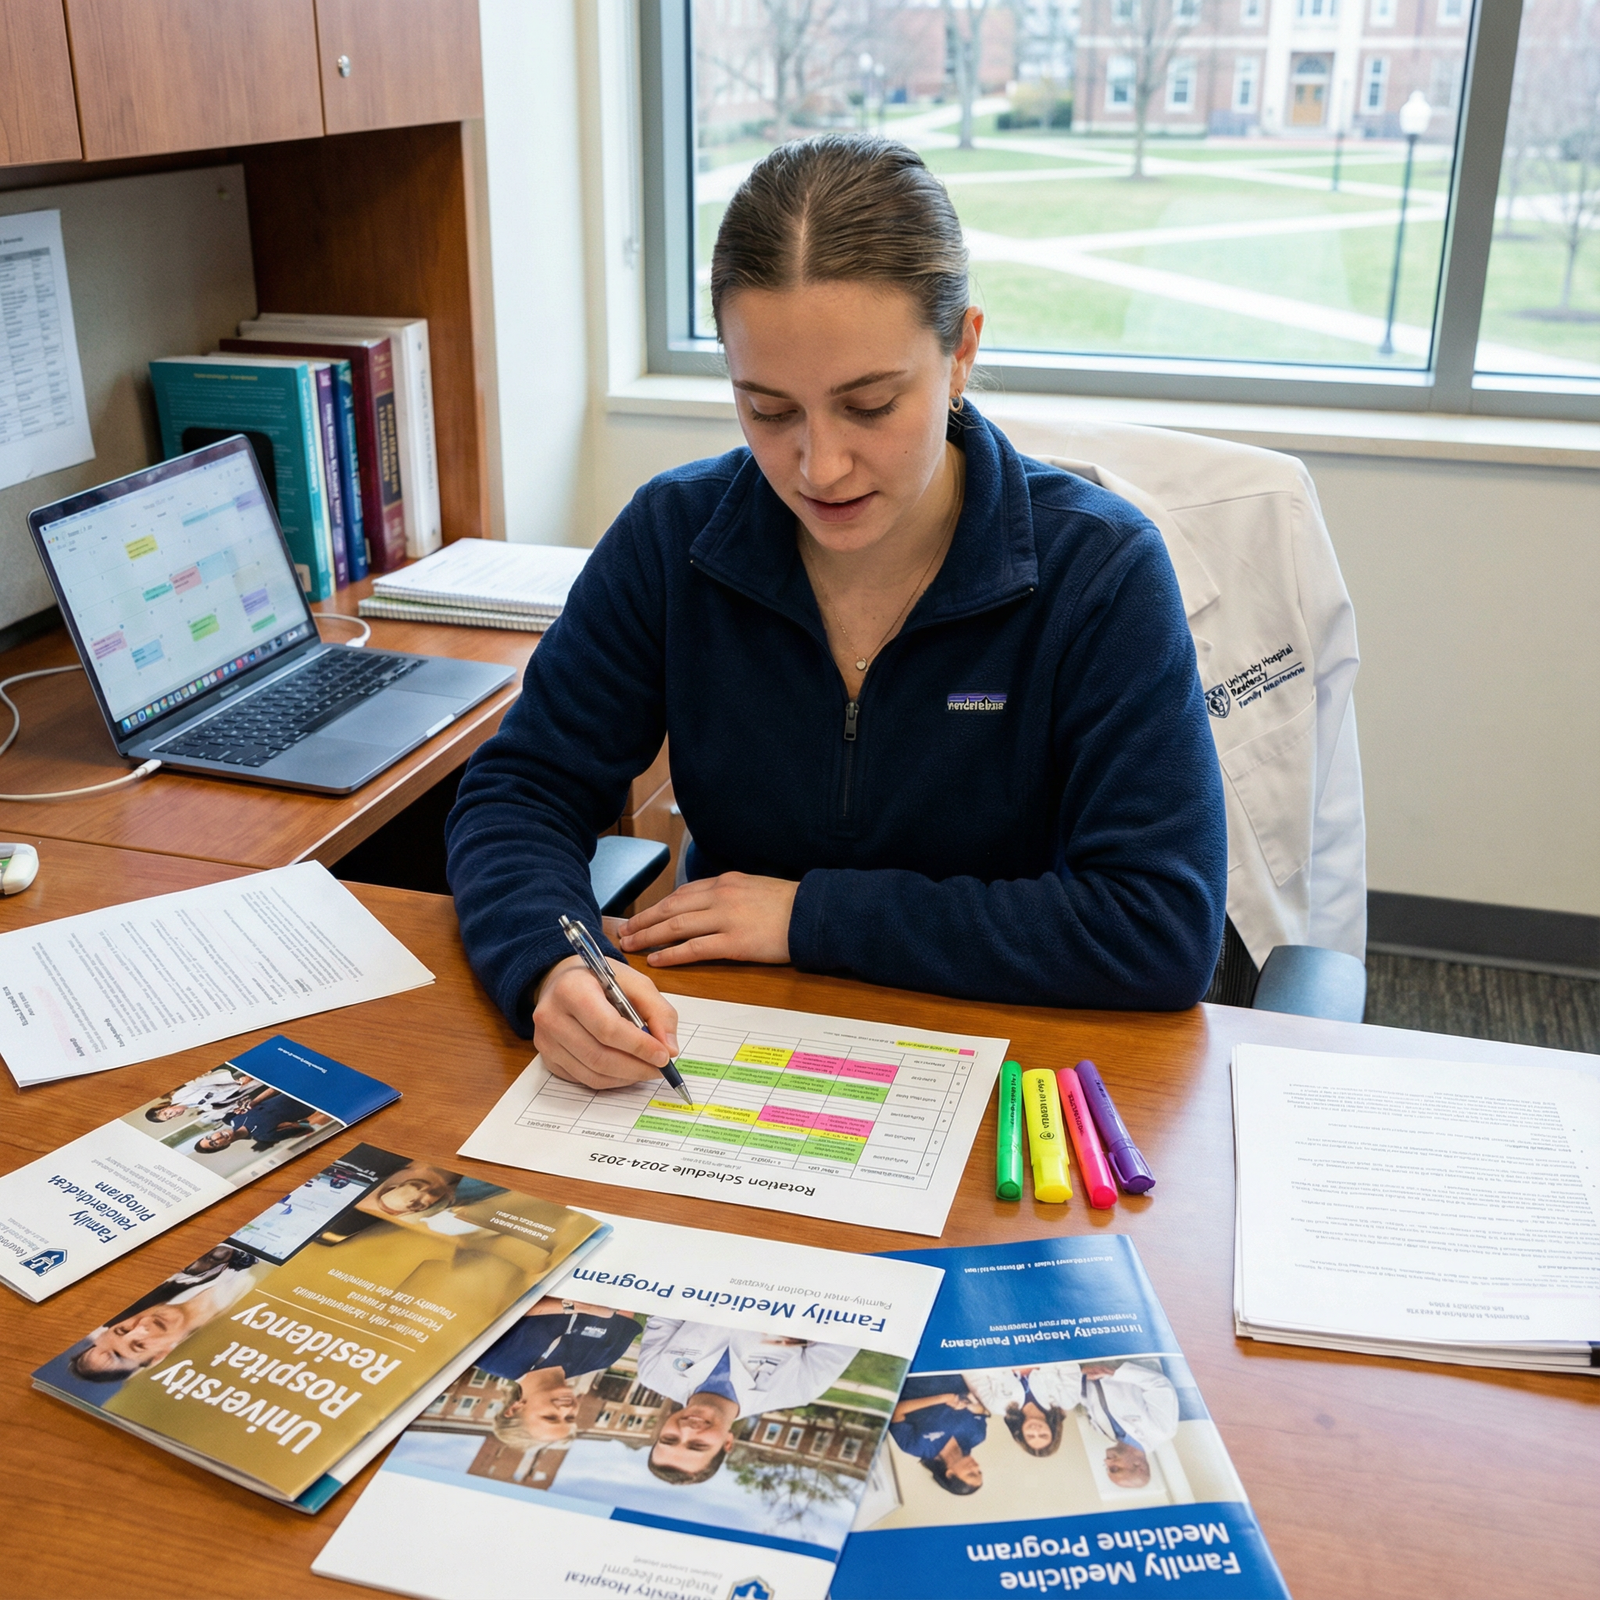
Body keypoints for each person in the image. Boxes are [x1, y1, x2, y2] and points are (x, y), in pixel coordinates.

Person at [444, 134, 1227, 1095]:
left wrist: (810, 916)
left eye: (870, 405)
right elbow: (521, 791)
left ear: (961, 352)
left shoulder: (1101, 572)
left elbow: (1157, 926)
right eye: (770, 411)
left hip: (1011, 1060)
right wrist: (552, 964)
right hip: (732, 1048)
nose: (819, 466)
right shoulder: (674, 536)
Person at [636, 1319, 857, 1485]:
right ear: (728, 1443)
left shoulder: (654, 1373)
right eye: (698, 1445)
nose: (686, 1430)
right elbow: (850, 1328)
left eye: (669, 1438)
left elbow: (668, 1304)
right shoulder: (797, 1389)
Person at [67, 1245, 259, 1384]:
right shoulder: (245, 1316)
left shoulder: (182, 1270)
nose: (141, 1327)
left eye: (122, 1329)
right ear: (159, 1356)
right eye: (138, 1345)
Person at [476, 1297, 645, 1449]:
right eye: (570, 1418)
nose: (566, 1409)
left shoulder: (490, 1357)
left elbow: (493, 1304)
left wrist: (580, 1307)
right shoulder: (601, 1358)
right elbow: (628, 1299)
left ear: (514, 1408)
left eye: (550, 1417)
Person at [1076, 1359, 1179, 1488]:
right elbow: (1159, 1385)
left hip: (1084, 1358)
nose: (1106, 1461)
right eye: (1115, 1468)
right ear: (1139, 1466)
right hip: (1124, 1354)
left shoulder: (1102, 1430)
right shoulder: (1162, 1431)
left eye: (1107, 1468)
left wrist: (1080, 1375)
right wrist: (1112, 1372)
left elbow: (1085, 1396)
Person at [888, 1374, 987, 1495]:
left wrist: (942, 1398)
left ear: (950, 1474)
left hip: (913, 1377)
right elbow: (980, 1411)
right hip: (954, 1371)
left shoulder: (916, 1447)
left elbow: (895, 1411)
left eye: (971, 1473)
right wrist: (971, 1404)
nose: (976, 1467)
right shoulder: (977, 1436)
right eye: (979, 1471)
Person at [964, 1364, 1077, 1457]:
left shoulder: (996, 1406)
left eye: (1030, 1436)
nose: (1035, 1431)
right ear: (1053, 1430)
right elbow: (1069, 1362)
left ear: (1021, 1434)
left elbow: (972, 1371)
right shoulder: (1068, 1399)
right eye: (1043, 1435)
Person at [191, 1090, 329, 1154]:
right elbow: (308, 1127)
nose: (216, 1138)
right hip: (317, 1103)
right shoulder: (265, 1136)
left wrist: (276, 1088)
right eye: (214, 1143)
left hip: (294, 1090)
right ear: (223, 1147)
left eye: (209, 1137)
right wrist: (295, 1124)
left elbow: (264, 1096)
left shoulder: (233, 1117)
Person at [143, 1068, 260, 1123]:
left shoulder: (180, 1095)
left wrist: (236, 1078)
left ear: (164, 1107)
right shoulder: (199, 1107)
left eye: (167, 1113)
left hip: (241, 1075)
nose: (173, 1115)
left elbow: (204, 1081)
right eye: (170, 1118)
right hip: (248, 1086)